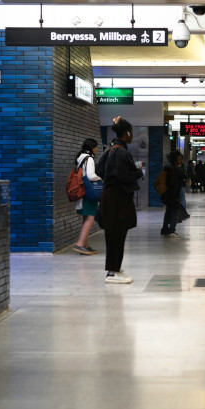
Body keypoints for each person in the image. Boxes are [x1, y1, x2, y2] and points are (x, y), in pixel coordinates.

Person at [99, 117, 144, 284]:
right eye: (131, 133)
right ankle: (112, 272)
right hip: (117, 199)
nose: (132, 136)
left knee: (116, 235)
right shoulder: (121, 152)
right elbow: (123, 176)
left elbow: (99, 169)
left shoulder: (112, 149)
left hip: (111, 197)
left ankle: (115, 269)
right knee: (116, 235)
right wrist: (138, 173)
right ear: (127, 133)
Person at [73, 138, 101, 255]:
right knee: (91, 217)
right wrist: (100, 178)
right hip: (89, 191)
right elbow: (90, 176)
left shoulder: (81, 158)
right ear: (92, 147)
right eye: (96, 147)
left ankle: (85, 245)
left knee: (86, 218)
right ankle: (80, 244)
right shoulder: (88, 159)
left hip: (82, 192)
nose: (96, 149)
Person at [160, 150, 186, 238]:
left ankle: (164, 230)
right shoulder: (174, 171)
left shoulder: (169, 169)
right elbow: (174, 185)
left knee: (168, 213)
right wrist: (176, 197)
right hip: (172, 196)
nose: (181, 161)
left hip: (167, 196)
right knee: (174, 214)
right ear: (175, 160)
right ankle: (171, 230)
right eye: (179, 159)